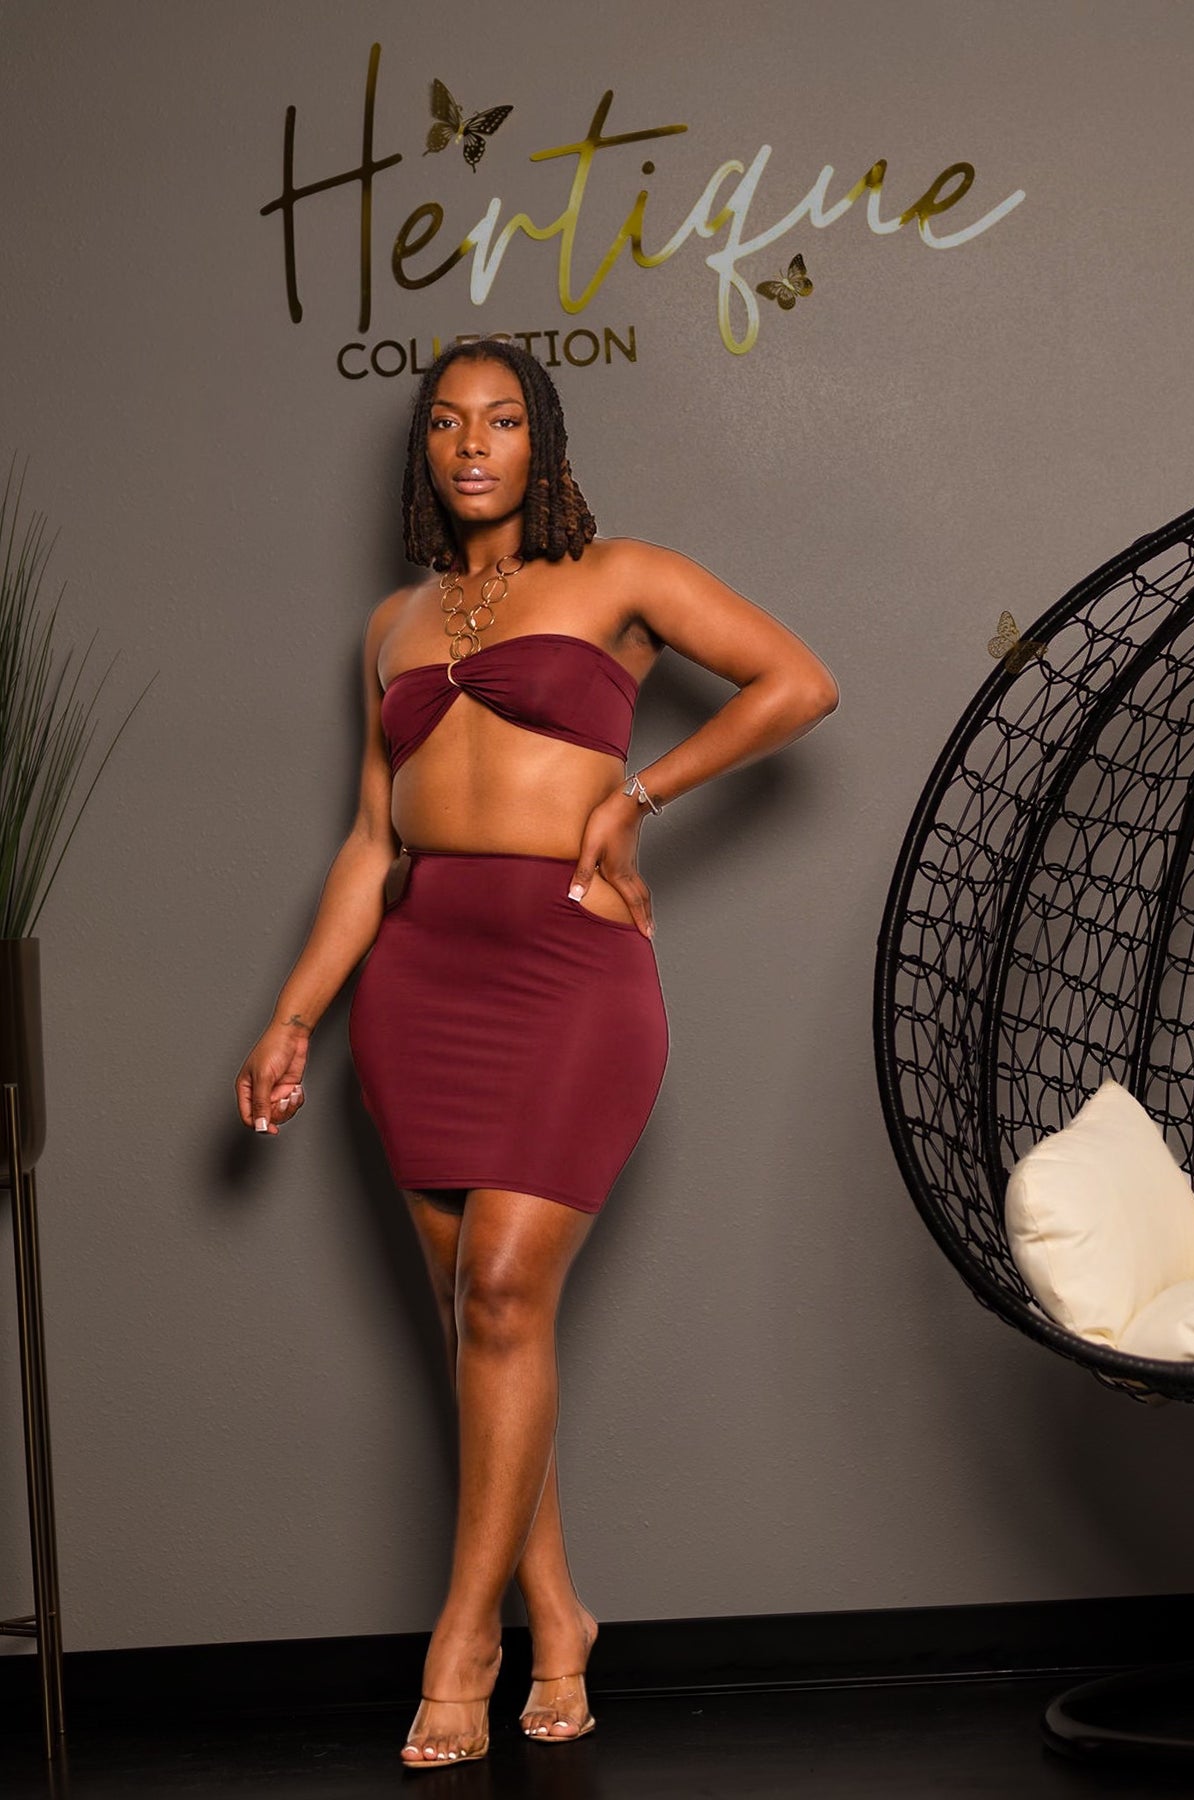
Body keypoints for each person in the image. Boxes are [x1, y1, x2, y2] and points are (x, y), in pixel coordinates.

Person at [235, 338, 838, 1771]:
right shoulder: (391, 624)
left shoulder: (621, 577)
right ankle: (560, 1613)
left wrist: (640, 795)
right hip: (418, 981)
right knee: (481, 1322)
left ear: (541, 441)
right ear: (426, 452)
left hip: (570, 971)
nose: (473, 445)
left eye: (502, 420)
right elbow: (370, 842)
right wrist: (296, 1012)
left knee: (503, 1291)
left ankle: (465, 1645)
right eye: (449, 423)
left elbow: (798, 683)